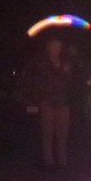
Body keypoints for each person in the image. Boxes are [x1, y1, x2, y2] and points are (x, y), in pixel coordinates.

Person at [30, 36, 73, 170]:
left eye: (59, 47)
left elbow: (68, 79)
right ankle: (49, 161)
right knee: (47, 133)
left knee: (62, 134)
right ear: (48, 48)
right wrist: (61, 71)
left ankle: (62, 161)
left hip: (62, 102)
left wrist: (64, 72)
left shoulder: (65, 62)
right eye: (54, 46)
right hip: (48, 102)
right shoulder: (43, 62)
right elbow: (46, 76)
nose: (57, 49)